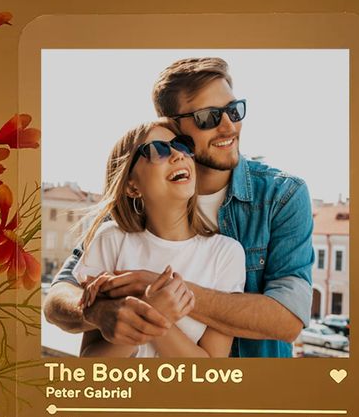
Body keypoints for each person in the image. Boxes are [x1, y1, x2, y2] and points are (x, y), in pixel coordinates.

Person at [44, 57, 314, 357]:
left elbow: (289, 320)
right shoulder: (135, 205)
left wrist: (158, 293)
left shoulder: (283, 195)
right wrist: (94, 312)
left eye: (233, 111)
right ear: (173, 126)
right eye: (208, 117)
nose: (229, 127)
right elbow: (60, 296)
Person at [74, 119, 245, 358]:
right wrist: (156, 313)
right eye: (158, 150)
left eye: (183, 146)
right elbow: (91, 364)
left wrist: (152, 317)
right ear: (132, 186)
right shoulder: (110, 240)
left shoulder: (226, 254)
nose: (178, 155)